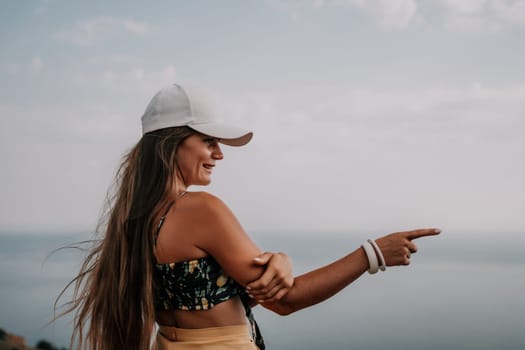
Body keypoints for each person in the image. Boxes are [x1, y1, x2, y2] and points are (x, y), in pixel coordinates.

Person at [58, 83, 441, 350]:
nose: (219, 154)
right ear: (173, 142)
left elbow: (215, 299)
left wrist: (281, 260)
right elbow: (285, 301)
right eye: (209, 141)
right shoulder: (201, 209)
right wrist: (373, 254)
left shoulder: (134, 221)